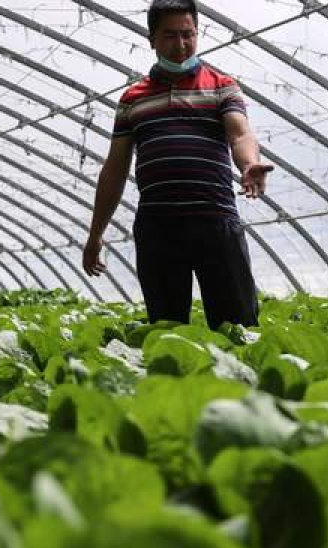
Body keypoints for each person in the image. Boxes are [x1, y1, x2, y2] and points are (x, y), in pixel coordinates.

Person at [81, 0, 273, 330]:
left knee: (238, 326)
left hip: (215, 221)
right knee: (167, 331)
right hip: (158, 228)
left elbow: (240, 134)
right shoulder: (133, 99)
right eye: (171, 35)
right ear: (152, 38)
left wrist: (249, 164)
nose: (181, 44)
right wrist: (96, 234)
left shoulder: (221, 85)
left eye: (189, 34)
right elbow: (114, 169)